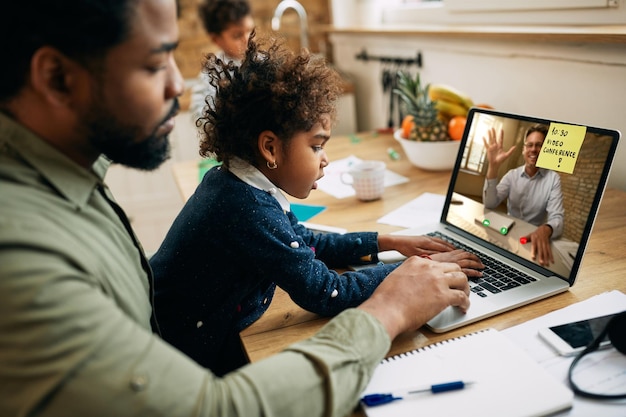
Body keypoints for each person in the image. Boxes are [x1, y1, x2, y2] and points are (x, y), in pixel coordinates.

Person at [0, 1, 472, 416]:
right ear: (58, 78)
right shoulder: (25, 258)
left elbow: (297, 239)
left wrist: (381, 242)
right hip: (198, 349)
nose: (175, 86)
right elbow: (219, 406)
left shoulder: (75, 178)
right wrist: (390, 306)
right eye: (153, 62)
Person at [150, 33, 484, 376]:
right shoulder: (245, 208)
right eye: (316, 147)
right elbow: (327, 292)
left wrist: (386, 243)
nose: (325, 160)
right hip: (190, 355)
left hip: (199, 331)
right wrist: (409, 274)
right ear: (270, 148)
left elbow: (306, 242)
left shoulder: (240, 184)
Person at [482, 125, 565, 266]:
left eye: (539, 145)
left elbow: (557, 218)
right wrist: (493, 167)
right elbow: (490, 204)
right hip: (507, 233)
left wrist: (547, 229)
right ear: (523, 150)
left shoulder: (553, 179)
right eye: (530, 145)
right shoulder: (511, 175)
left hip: (534, 238)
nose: (533, 149)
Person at [189, 0, 255, 121]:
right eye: (237, 35)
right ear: (216, 39)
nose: (247, 39)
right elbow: (198, 113)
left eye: (250, 30)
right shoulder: (212, 73)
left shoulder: (262, 61)